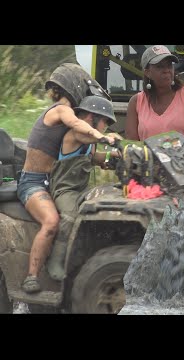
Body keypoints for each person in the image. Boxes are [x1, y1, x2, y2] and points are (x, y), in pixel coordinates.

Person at [17, 63, 116, 293]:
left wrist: (115, 157)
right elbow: (77, 124)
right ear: (75, 86)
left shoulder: (73, 124)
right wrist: (101, 136)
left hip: (50, 180)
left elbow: (90, 155)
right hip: (32, 182)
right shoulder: (61, 111)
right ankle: (31, 276)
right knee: (51, 222)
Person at [46, 96, 119, 281]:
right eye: (104, 121)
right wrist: (106, 138)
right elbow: (88, 136)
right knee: (70, 217)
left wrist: (116, 156)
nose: (105, 126)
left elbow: (94, 158)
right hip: (64, 190)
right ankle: (56, 261)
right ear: (90, 117)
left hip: (82, 188)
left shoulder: (90, 141)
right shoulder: (76, 134)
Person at [125, 45, 184, 142]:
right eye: (160, 66)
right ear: (147, 72)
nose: (166, 70)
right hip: (149, 157)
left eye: (169, 65)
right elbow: (131, 144)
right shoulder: (136, 102)